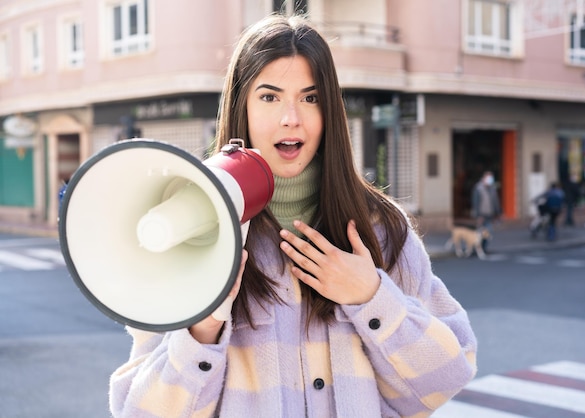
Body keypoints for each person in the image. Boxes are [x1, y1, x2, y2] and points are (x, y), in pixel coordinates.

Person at [109, 14, 477, 417]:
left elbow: (448, 377)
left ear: (329, 111)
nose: (291, 118)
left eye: (310, 97)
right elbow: (140, 411)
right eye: (269, 97)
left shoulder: (382, 228)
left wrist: (371, 298)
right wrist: (202, 329)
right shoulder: (189, 235)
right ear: (242, 108)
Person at [471, 170, 501, 250]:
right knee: (479, 233)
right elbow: (475, 202)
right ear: (484, 178)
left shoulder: (492, 189)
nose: (490, 179)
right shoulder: (478, 188)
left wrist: (498, 213)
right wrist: (478, 215)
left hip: (489, 215)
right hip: (481, 215)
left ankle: (483, 248)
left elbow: (495, 201)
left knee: (488, 232)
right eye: (488, 177)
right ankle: (477, 247)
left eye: (491, 178)